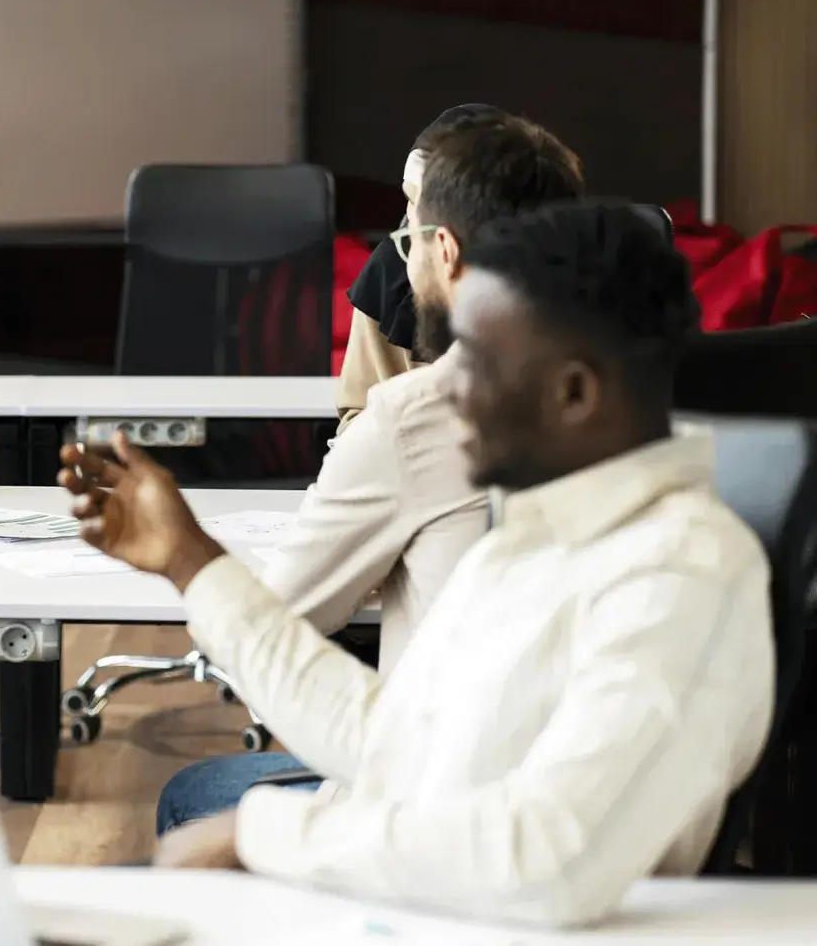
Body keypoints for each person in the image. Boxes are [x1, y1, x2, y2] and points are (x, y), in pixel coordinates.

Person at [59, 201, 773, 927]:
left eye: (477, 359)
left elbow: (547, 858)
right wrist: (190, 560)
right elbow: (392, 740)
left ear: (575, 391)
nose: (445, 384)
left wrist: (261, 832)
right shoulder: (530, 542)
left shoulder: (683, 575)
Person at [155, 114, 587, 832]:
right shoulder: (652, 401)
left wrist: (183, 551)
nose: (399, 243)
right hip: (596, 817)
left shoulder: (419, 416)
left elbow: (263, 642)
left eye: (411, 224)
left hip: (441, 818)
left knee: (196, 793)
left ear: (444, 250)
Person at [336, 103, 509, 432]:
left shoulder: (553, 280)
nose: (412, 224)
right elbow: (358, 415)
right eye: (412, 203)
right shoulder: (394, 268)